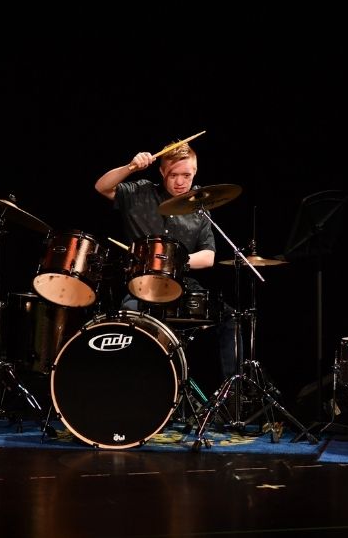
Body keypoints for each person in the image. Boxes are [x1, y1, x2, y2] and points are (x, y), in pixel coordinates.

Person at [94, 142, 241, 386]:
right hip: (140, 286)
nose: (181, 182)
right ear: (162, 173)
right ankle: (128, 387)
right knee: (130, 320)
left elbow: (208, 257)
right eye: (174, 175)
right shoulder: (139, 193)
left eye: (187, 175)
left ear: (195, 172)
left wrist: (172, 262)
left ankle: (233, 394)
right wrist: (131, 167)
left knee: (230, 318)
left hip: (181, 286)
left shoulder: (199, 207)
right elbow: (102, 186)